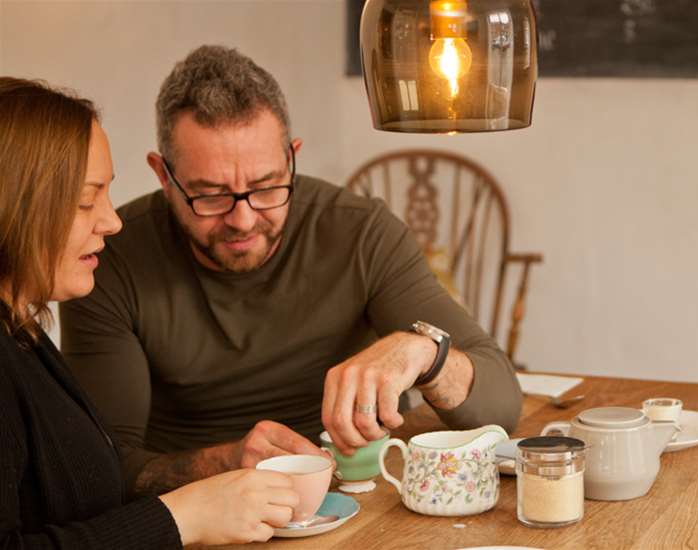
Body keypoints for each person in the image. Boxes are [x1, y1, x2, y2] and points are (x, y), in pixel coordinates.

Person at [60, 45, 523, 497]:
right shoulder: (108, 257)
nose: (243, 219)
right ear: (164, 177)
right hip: (200, 510)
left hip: (359, 495)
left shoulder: (361, 232)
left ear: (292, 158)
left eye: (266, 187)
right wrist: (223, 464)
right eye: (210, 195)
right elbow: (99, 465)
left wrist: (422, 354)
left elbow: (500, 405)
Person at [0, 77, 302, 547]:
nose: (112, 220)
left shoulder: (22, 332)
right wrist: (184, 517)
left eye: (106, 194)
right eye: (85, 200)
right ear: (14, 208)